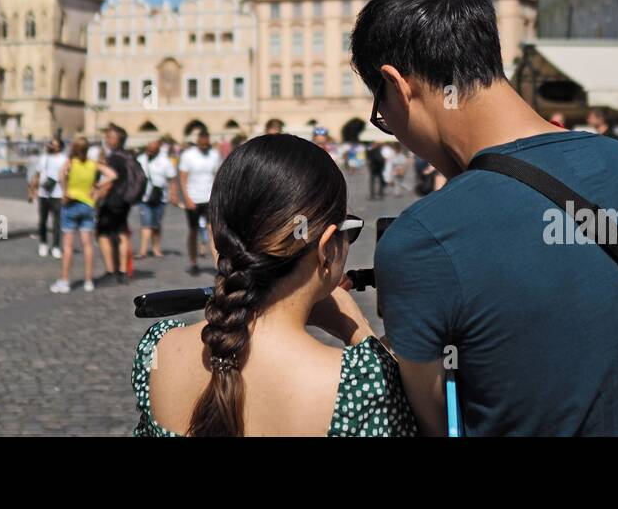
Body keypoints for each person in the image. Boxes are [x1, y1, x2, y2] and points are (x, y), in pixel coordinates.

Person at [350, 0, 618, 436]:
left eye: (382, 114)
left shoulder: (422, 240)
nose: (391, 130)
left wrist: (354, 330)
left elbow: (439, 424)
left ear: (397, 84)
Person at [131, 133, 416, 437]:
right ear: (326, 249)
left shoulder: (157, 349)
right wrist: (357, 328)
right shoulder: (360, 385)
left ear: (220, 240)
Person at [51, 137, 117, 294]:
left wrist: (65, 191)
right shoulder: (93, 164)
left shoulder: (70, 162)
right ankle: (88, 281)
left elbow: (60, 176)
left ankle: (65, 281)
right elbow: (112, 175)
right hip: (87, 204)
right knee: (87, 245)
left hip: (71, 204)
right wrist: (98, 186)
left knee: (67, 246)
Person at [175, 129, 222, 276]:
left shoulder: (214, 155)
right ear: (198, 141)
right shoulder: (188, 155)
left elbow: (217, 175)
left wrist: (217, 196)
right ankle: (193, 261)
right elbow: (182, 178)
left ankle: (217, 264)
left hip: (209, 197)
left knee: (211, 230)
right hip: (193, 198)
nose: (204, 145)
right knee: (193, 231)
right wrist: (187, 198)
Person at [97, 125, 136, 284]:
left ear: (116, 140)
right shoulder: (128, 156)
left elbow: (109, 183)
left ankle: (110, 270)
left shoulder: (113, 158)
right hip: (125, 201)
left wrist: (97, 197)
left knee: (103, 234)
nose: (107, 140)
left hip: (112, 201)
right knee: (122, 233)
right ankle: (123, 271)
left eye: (110, 137)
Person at [137, 138, 177, 259]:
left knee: (156, 224)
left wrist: (173, 194)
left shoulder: (165, 161)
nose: (150, 152)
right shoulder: (140, 160)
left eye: (152, 150)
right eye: (148, 149)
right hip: (144, 197)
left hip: (160, 197)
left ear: (158, 150)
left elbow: (172, 179)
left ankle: (156, 248)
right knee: (146, 224)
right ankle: (142, 251)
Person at [29, 138, 65, 258]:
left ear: (59, 147)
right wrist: (32, 190)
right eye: (50, 143)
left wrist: (66, 192)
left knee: (57, 222)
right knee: (42, 221)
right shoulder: (43, 158)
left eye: (53, 144)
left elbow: (67, 177)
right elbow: (37, 174)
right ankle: (43, 244)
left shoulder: (63, 159)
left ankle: (56, 246)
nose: (50, 146)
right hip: (43, 193)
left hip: (58, 194)